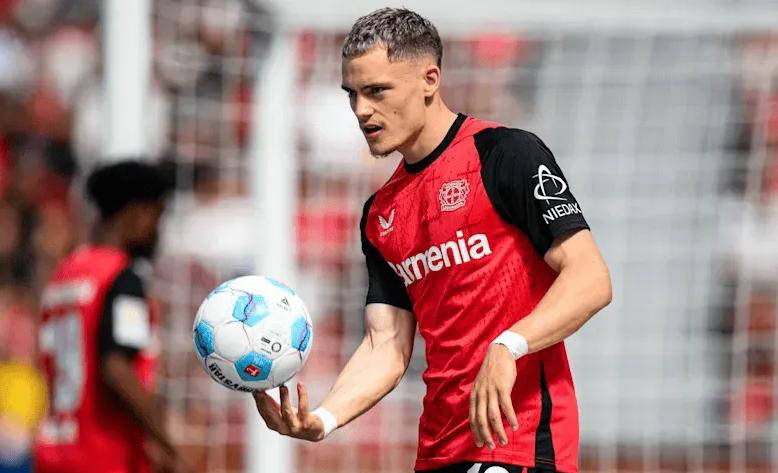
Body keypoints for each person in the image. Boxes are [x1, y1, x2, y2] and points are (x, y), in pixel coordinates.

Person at [253, 8, 612, 473]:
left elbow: (590, 278)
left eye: (377, 91)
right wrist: (323, 419)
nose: (361, 110)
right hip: (439, 448)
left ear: (429, 80)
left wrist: (510, 345)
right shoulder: (380, 213)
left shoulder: (504, 154)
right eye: (352, 94)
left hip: (519, 441)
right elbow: (386, 345)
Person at [34, 161, 186, 473]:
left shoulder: (64, 274)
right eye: (157, 217)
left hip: (55, 452)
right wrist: (170, 447)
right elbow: (116, 369)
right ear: (137, 213)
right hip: (105, 457)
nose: (157, 232)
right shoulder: (122, 279)